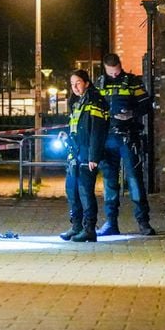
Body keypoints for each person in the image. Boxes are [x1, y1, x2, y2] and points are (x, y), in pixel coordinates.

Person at [95, 52, 155, 235]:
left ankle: (143, 222)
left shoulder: (132, 81)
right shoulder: (99, 83)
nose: (114, 75)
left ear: (120, 66)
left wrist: (131, 114)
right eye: (110, 72)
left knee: (135, 180)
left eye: (116, 71)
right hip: (107, 139)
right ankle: (111, 223)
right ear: (104, 68)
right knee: (109, 182)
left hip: (129, 137)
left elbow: (146, 104)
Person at [59, 69, 108, 243]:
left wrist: (93, 157)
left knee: (85, 192)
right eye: (72, 84)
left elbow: (97, 131)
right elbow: (77, 128)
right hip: (75, 153)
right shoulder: (77, 102)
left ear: (87, 82)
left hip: (87, 154)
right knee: (72, 190)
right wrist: (67, 136)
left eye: (78, 83)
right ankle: (76, 226)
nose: (75, 87)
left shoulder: (95, 101)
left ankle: (89, 229)